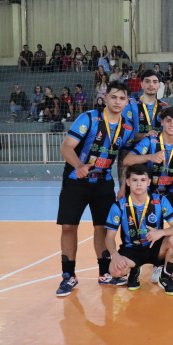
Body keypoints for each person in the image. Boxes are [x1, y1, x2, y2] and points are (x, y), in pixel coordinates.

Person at [55, 81, 135, 297]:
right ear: (105, 98)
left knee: (102, 228)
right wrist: (79, 166)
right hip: (76, 181)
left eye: (122, 98)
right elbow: (66, 147)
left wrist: (122, 184)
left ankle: (104, 273)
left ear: (127, 102)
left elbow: (124, 158)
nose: (117, 101)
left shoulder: (127, 128)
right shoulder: (88, 118)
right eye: (113, 97)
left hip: (103, 183)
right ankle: (68, 276)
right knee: (68, 227)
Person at [124, 106, 173, 281]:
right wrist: (150, 157)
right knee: (150, 226)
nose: (172, 124)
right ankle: (156, 264)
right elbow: (128, 160)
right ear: (162, 122)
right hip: (148, 192)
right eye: (168, 121)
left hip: (168, 191)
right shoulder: (151, 141)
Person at [105, 164, 173, 296]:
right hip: (131, 249)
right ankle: (134, 270)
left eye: (143, 180)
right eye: (135, 180)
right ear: (128, 182)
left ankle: (165, 276)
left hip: (155, 247)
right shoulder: (119, 206)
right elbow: (109, 237)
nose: (139, 184)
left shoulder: (160, 201)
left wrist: (161, 232)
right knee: (115, 270)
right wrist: (115, 255)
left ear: (148, 182)